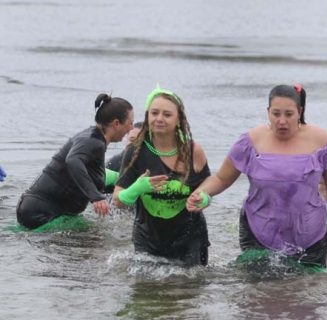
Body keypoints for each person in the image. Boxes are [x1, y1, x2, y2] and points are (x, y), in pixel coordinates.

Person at [186, 84, 327, 269]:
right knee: (260, 292)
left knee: (309, 293)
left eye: (289, 114)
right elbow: (221, 179)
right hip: (258, 230)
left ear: (299, 112)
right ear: (268, 112)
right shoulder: (250, 141)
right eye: (276, 114)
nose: (282, 121)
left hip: (310, 234)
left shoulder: (321, 141)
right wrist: (202, 194)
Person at [112, 86, 211, 266]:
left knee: (188, 290)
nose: (159, 119)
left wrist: (203, 198)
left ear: (179, 119)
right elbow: (118, 200)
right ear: (147, 116)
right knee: (145, 292)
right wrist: (137, 188)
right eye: (154, 113)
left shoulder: (193, 150)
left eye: (167, 114)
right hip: (147, 239)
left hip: (190, 238)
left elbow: (210, 186)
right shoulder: (136, 151)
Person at [16, 94, 134, 230]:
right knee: (95, 242)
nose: (131, 128)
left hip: (37, 209)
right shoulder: (93, 141)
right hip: (41, 213)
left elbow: (89, 177)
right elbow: (72, 161)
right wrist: (96, 197)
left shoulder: (94, 138)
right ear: (116, 123)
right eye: (130, 123)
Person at [105, 121, 143, 194]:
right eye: (132, 139)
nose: (134, 145)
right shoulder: (115, 162)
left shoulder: (156, 163)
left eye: (140, 142)